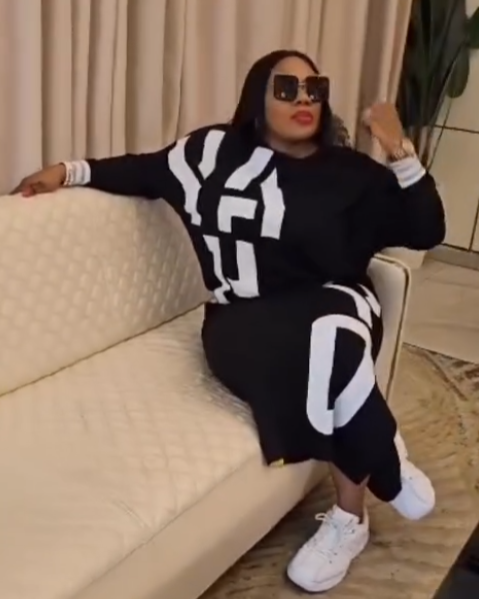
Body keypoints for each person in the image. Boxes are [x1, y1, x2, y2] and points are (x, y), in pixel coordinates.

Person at [12, 50, 445, 593]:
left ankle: (350, 515)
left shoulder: (350, 173)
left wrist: (399, 149)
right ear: (257, 97)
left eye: (314, 88)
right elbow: (139, 170)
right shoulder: (208, 154)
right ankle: (383, 451)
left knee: (331, 341)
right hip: (240, 321)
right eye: (286, 88)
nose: (304, 99)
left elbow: (426, 230)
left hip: (335, 302)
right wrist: (68, 171)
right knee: (318, 357)